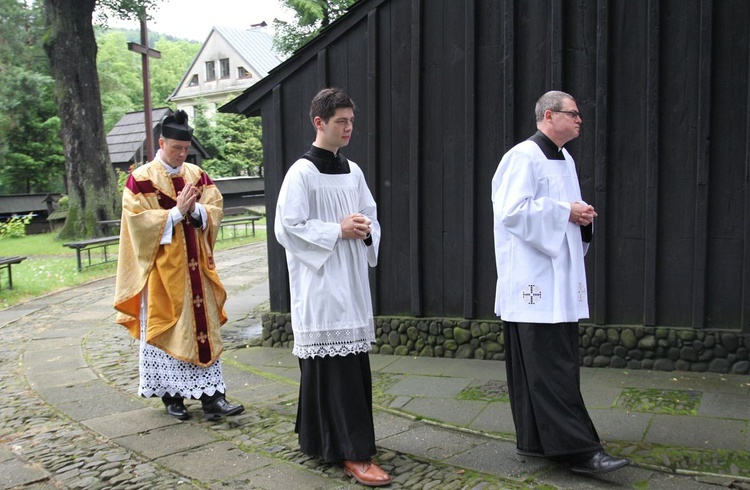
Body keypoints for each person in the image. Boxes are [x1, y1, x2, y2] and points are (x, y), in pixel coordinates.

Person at [491, 91, 629, 475]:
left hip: (558, 280)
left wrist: (580, 218)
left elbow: (560, 213)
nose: (580, 119)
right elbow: (512, 212)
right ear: (549, 116)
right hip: (533, 283)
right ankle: (579, 452)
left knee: (545, 366)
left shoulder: (564, 157)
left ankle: (536, 442)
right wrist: (565, 210)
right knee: (552, 369)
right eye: (574, 114)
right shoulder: (522, 157)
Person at [274, 88, 391, 487]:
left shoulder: (353, 171)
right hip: (320, 282)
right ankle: (355, 453)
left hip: (352, 279)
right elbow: (287, 227)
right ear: (319, 122)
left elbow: (371, 215)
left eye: (351, 121)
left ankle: (321, 441)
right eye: (341, 121)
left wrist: (365, 230)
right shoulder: (301, 172)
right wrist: (337, 230)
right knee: (333, 370)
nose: (349, 128)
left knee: (348, 368)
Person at [113, 110, 244, 421]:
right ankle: (172, 398)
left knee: (204, 330)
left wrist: (195, 209)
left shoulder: (197, 176)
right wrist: (174, 213)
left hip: (197, 269)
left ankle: (214, 399)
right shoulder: (141, 179)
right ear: (161, 143)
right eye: (176, 148)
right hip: (162, 274)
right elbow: (136, 224)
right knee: (169, 329)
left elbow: (215, 209)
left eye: (186, 149)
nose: (182, 154)